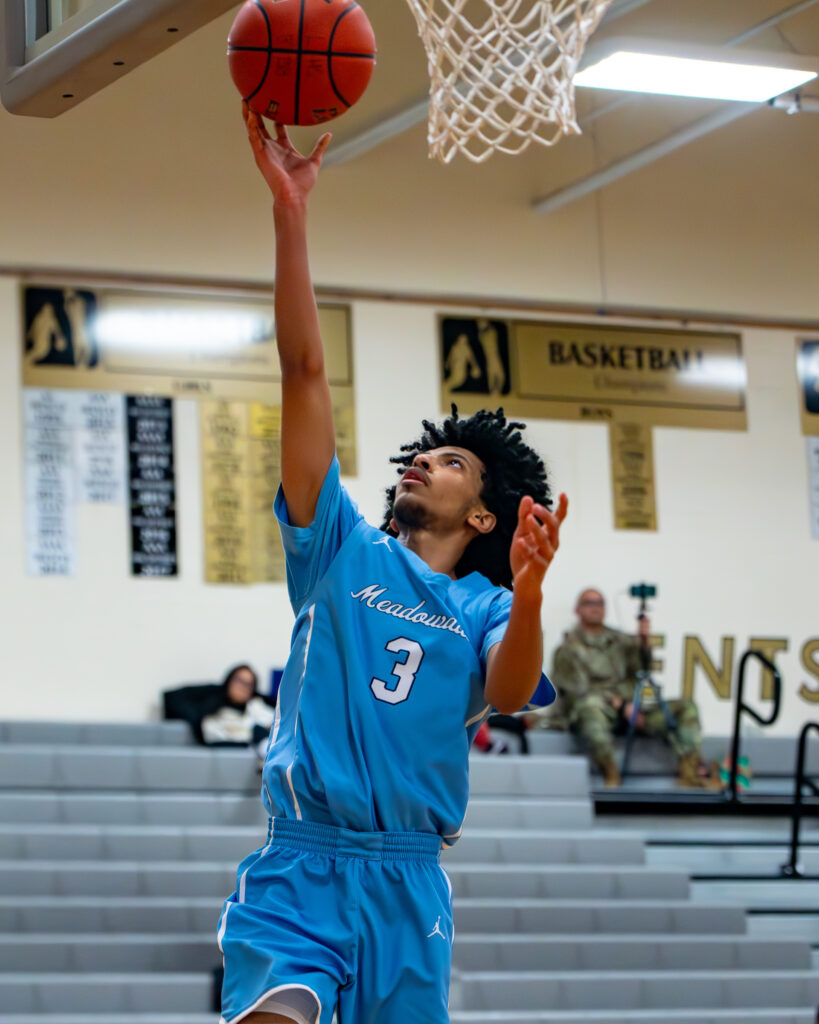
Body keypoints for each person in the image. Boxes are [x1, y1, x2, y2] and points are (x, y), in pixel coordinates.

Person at [215, 104, 568, 1024]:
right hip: (300, 864)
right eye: (419, 454)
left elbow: (510, 688)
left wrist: (531, 591)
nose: (419, 461)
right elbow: (303, 372)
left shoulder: (486, 603)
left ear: (484, 513)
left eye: (448, 462)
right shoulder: (339, 548)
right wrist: (291, 212)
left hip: (409, 885)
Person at [550, 588, 717, 789]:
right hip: (597, 713)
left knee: (686, 707)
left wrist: (644, 643)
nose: (595, 608)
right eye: (589, 603)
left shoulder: (620, 641)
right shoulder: (568, 649)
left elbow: (641, 670)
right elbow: (577, 692)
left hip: (630, 709)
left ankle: (690, 775)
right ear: (577, 610)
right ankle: (611, 774)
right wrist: (619, 704)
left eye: (600, 603)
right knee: (589, 708)